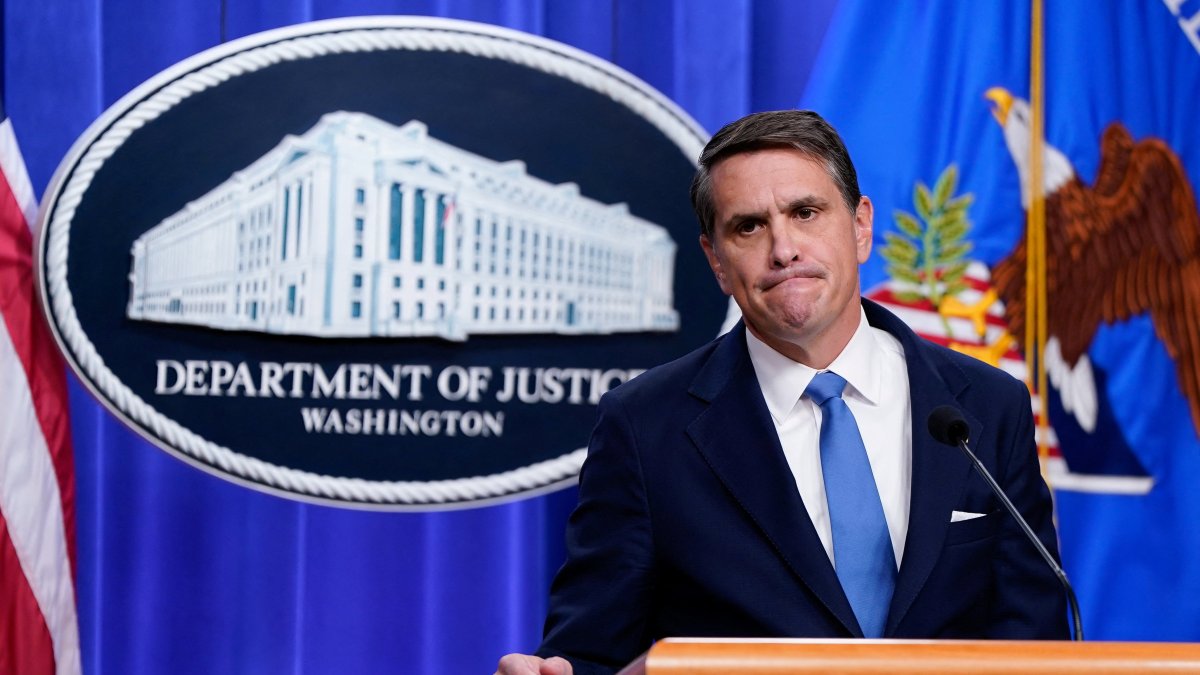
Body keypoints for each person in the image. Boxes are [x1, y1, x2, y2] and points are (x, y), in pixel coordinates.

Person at [496, 110, 1068, 675]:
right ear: (716, 261)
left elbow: (1035, 646)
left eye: (805, 213)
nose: (783, 249)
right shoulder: (645, 426)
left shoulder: (988, 406)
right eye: (748, 226)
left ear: (861, 226)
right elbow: (592, 653)